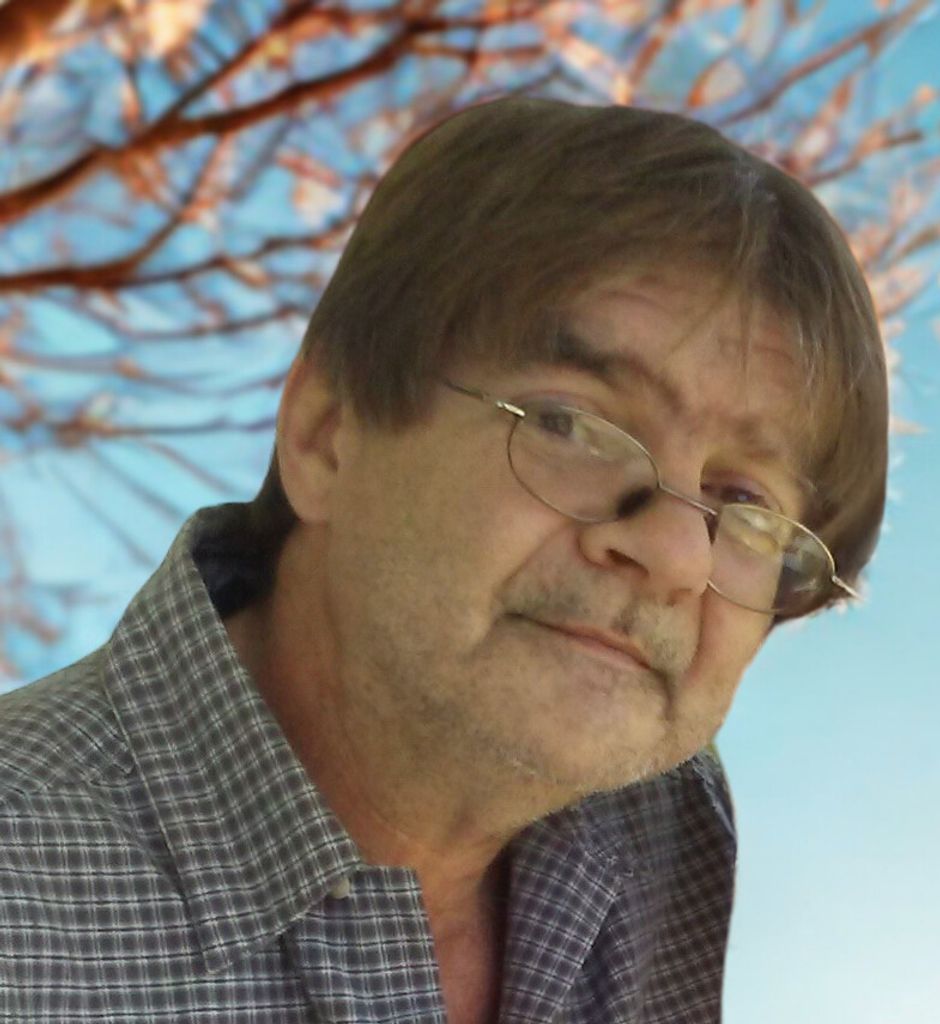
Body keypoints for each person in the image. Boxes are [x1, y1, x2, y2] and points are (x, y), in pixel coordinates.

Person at [0, 97, 888, 1023]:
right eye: (573, 426)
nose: (674, 554)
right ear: (328, 433)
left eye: (744, 503)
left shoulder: (661, 826)